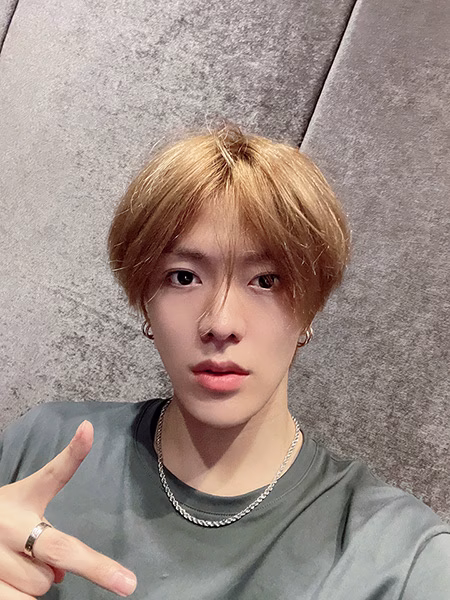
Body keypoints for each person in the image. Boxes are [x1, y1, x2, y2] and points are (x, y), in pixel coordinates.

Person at [0, 123, 449, 600]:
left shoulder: (403, 560)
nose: (220, 323)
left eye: (267, 281)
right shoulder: (39, 447)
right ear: (144, 301)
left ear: (310, 308)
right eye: (183, 276)